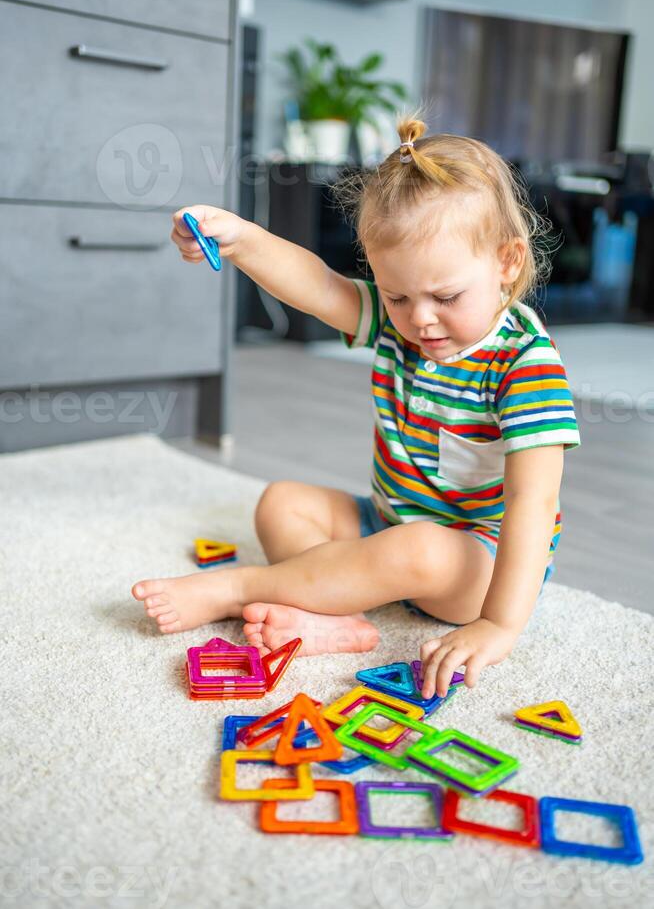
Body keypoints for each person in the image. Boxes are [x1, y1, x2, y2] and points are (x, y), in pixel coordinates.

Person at [131, 113, 581, 699]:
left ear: (507, 262)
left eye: (446, 296)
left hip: (476, 563)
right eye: (396, 295)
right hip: (388, 521)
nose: (420, 318)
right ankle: (331, 616)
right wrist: (241, 238)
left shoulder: (525, 365)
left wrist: (498, 623)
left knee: (416, 549)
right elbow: (318, 286)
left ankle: (242, 587)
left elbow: (534, 501)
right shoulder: (405, 328)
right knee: (283, 503)